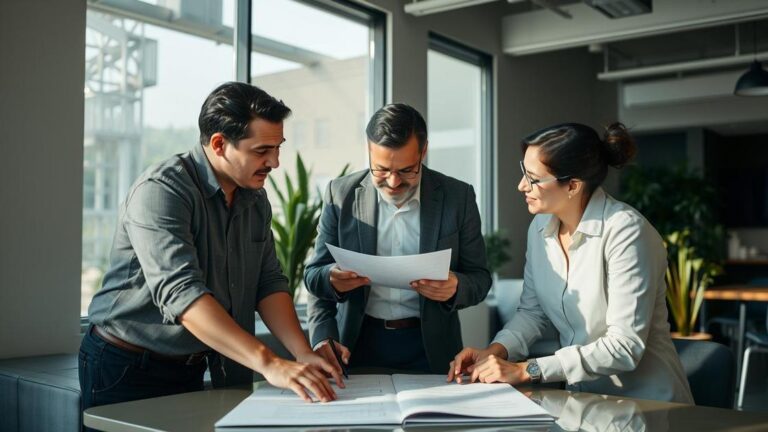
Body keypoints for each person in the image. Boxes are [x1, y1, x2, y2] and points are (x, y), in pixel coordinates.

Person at [80, 82, 340, 413]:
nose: (274, 162)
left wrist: (302, 353)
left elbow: (268, 282)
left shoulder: (255, 198)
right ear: (219, 144)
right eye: (262, 150)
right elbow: (182, 294)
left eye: (278, 148)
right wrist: (270, 363)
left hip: (191, 365)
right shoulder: (161, 191)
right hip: (126, 366)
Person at [448, 122, 694, 404]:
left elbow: (624, 346)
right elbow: (532, 312)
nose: (521, 185)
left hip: (648, 405)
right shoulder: (539, 227)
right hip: (584, 401)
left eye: (533, 178)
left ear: (573, 186)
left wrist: (527, 370)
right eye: (523, 172)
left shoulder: (626, 232)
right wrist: (494, 352)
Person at [305, 103, 492, 374]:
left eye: (406, 170)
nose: (393, 182)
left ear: (423, 151)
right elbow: (314, 276)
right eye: (381, 169)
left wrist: (456, 287)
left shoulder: (458, 197)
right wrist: (331, 284)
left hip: (433, 349)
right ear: (369, 150)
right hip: (356, 345)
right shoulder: (340, 195)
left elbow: (481, 278)